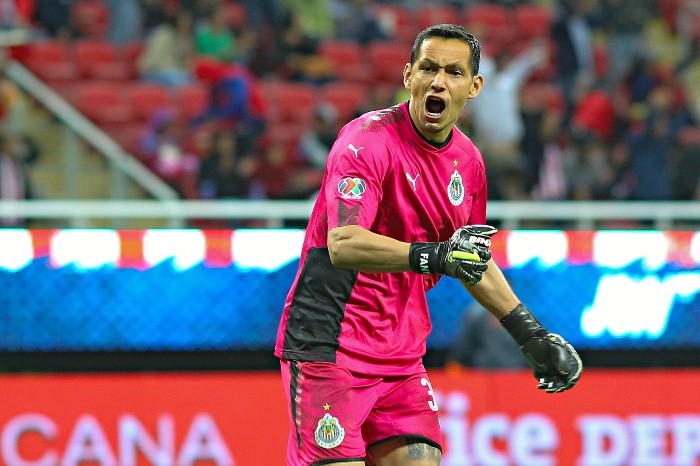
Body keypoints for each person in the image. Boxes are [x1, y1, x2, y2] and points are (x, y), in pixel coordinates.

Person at [274, 24, 582, 466]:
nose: (438, 81)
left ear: (474, 87)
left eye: (454, 72)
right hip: (328, 346)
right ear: (408, 76)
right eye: (428, 68)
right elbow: (343, 243)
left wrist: (530, 334)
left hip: (400, 356)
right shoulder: (366, 142)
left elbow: (471, 260)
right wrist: (434, 256)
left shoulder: (469, 164)